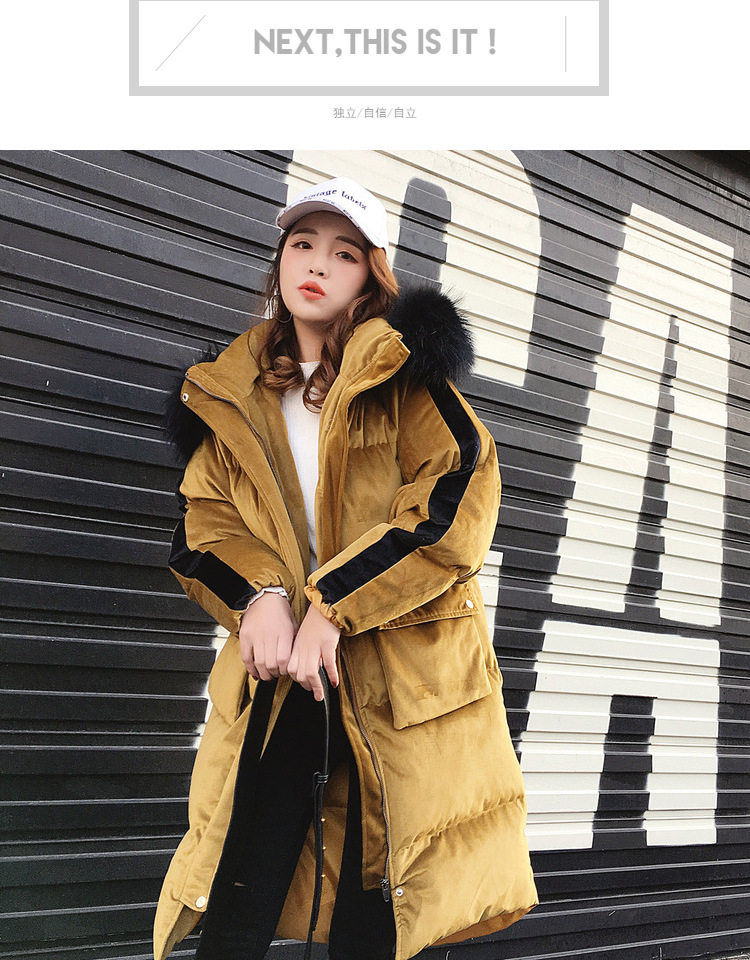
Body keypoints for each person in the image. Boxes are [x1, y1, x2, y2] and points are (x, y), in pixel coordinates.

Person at [154, 177, 537, 960]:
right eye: (302, 244)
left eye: (343, 252)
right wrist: (262, 597)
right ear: (279, 261)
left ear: (372, 275)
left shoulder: (405, 381)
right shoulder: (234, 392)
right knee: (239, 884)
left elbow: (453, 508)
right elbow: (203, 526)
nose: (317, 264)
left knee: (376, 899)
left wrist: (332, 606)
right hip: (283, 672)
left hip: (398, 675)